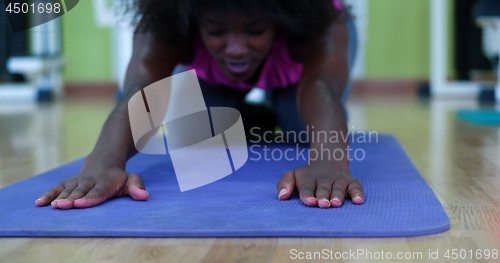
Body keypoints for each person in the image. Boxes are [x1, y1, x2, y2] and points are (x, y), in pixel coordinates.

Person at [35, 0, 364, 209]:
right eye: (217, 31)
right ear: (193, 22)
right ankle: (257, 115)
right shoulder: (165, 26)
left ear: (280, 21)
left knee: (300, 129)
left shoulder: (319, 23)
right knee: (200, 135)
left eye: (254, 30)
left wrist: (329, 162)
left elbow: (321, 86)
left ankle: (282, 107)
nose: (235, 49)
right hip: (215, 74)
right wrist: (104, 163)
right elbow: (142, 90)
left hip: (297, 71)